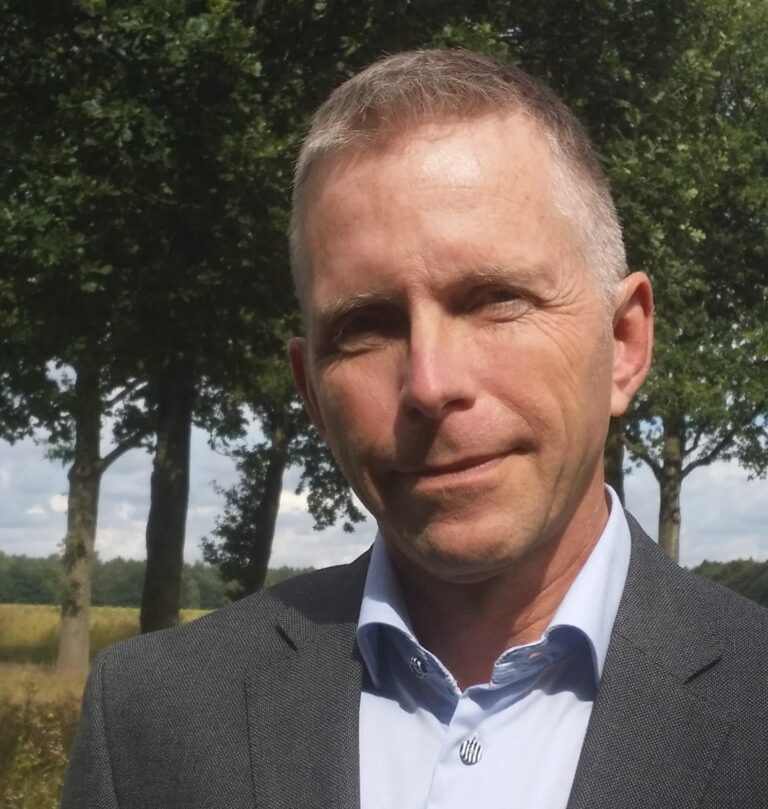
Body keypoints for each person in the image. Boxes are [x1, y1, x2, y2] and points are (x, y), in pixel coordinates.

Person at [62, 49, 768, 809]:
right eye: (366, 326)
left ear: (624, 342)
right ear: (311, 392)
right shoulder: (149, 721)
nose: (429, 384)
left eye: (496, 299)